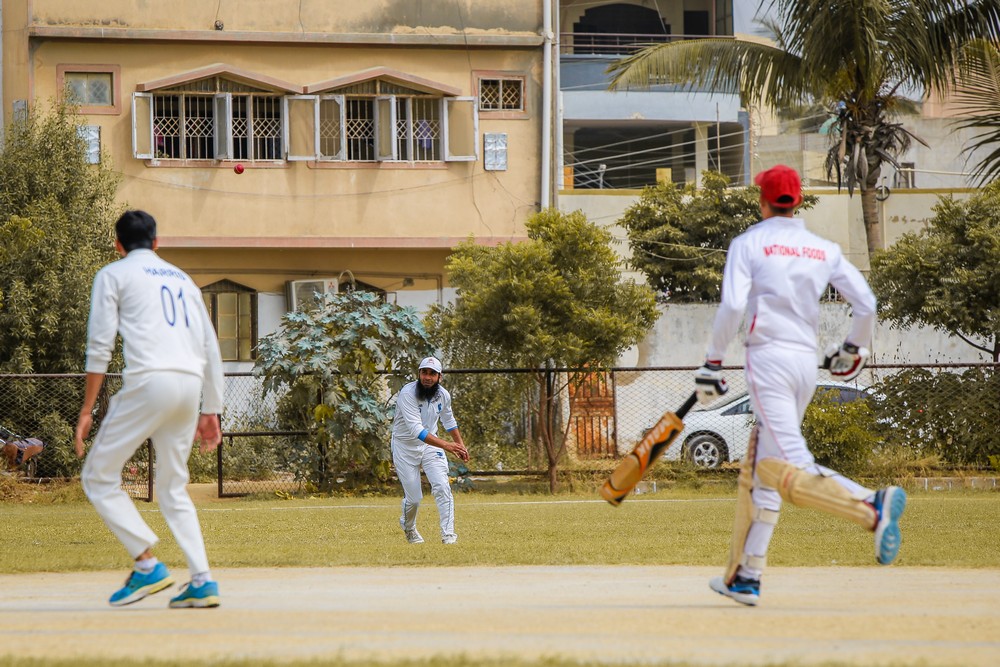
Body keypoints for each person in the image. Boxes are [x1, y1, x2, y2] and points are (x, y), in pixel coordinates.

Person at [696, 165, 906, 607]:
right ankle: (746, 576)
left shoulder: (748, 243)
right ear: (796, 202)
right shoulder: (821, 248)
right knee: (762, 470)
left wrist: (713, 362)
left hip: (768, 361)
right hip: (804, 365)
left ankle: (870, 505)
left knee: (789, 462)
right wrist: (853, 348)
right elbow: (866, 304)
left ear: (762, 201)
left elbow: (732, 304)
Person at [74, 209, 225, 608]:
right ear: (157, 242)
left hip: (149, 382)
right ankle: (203, 580)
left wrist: (87, 409)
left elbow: (100, 346)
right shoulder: (183, 279)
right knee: (173, 487)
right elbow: (209, 346)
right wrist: (211, 408)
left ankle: (147, 565)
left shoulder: (113, 274)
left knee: (97, 477)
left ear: (118, 245)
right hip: (189, 385)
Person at [391, 356, 469, 544]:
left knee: (442, 486)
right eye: (424, 372)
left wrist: (460, 445)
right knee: (414, 499)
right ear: (419, 374)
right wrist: (448, 446)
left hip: (430, 446)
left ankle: (448, 535)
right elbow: (416, 430)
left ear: (439, 377)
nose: (427, 377)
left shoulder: (443, 395)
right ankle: (409, 528)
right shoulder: (407, 394)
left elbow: (448, 420)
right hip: (404, 446)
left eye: (432, 374)